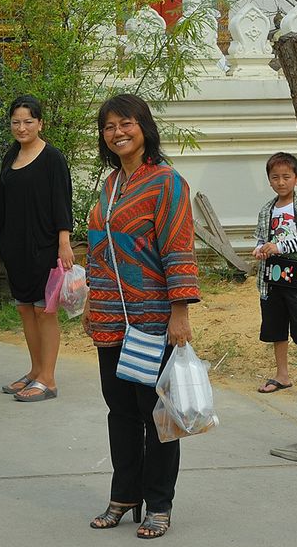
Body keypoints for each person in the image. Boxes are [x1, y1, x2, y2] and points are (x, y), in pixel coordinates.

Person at [85, 93, 199, 539]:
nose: (118, 132)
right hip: (112, 318)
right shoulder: (110, 185)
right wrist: (94, 301)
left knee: (157, 413)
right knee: (120, 411)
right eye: (109, 126)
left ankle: (160, 504)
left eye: (125, 123)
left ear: (143, 126)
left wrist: (180, 313)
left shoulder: (167, 182)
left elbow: (177, 249)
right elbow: (99, 250)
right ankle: (125, 493)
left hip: (153, 319)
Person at [0, 94, 74, 402]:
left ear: (40, 123)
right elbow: (0, 201)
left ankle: (49, 379)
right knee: (24, 308)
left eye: (28, 121)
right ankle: (34, 371)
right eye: (16, 122)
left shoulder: (53, 158)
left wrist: (64, 242)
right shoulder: (11, 156)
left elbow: (62, 202)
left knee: (44, 310)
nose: (22, 128)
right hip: (15, 246)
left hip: (44, 245)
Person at [252, 151, 297, 394]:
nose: (281, 182)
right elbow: (260, 237)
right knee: (276, 324)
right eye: (275, 177)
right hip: (273, 276)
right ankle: (282, 375)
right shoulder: (267, 209)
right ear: (269, 180)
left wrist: (281, 246)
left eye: (286, 177)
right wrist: (260, 249)